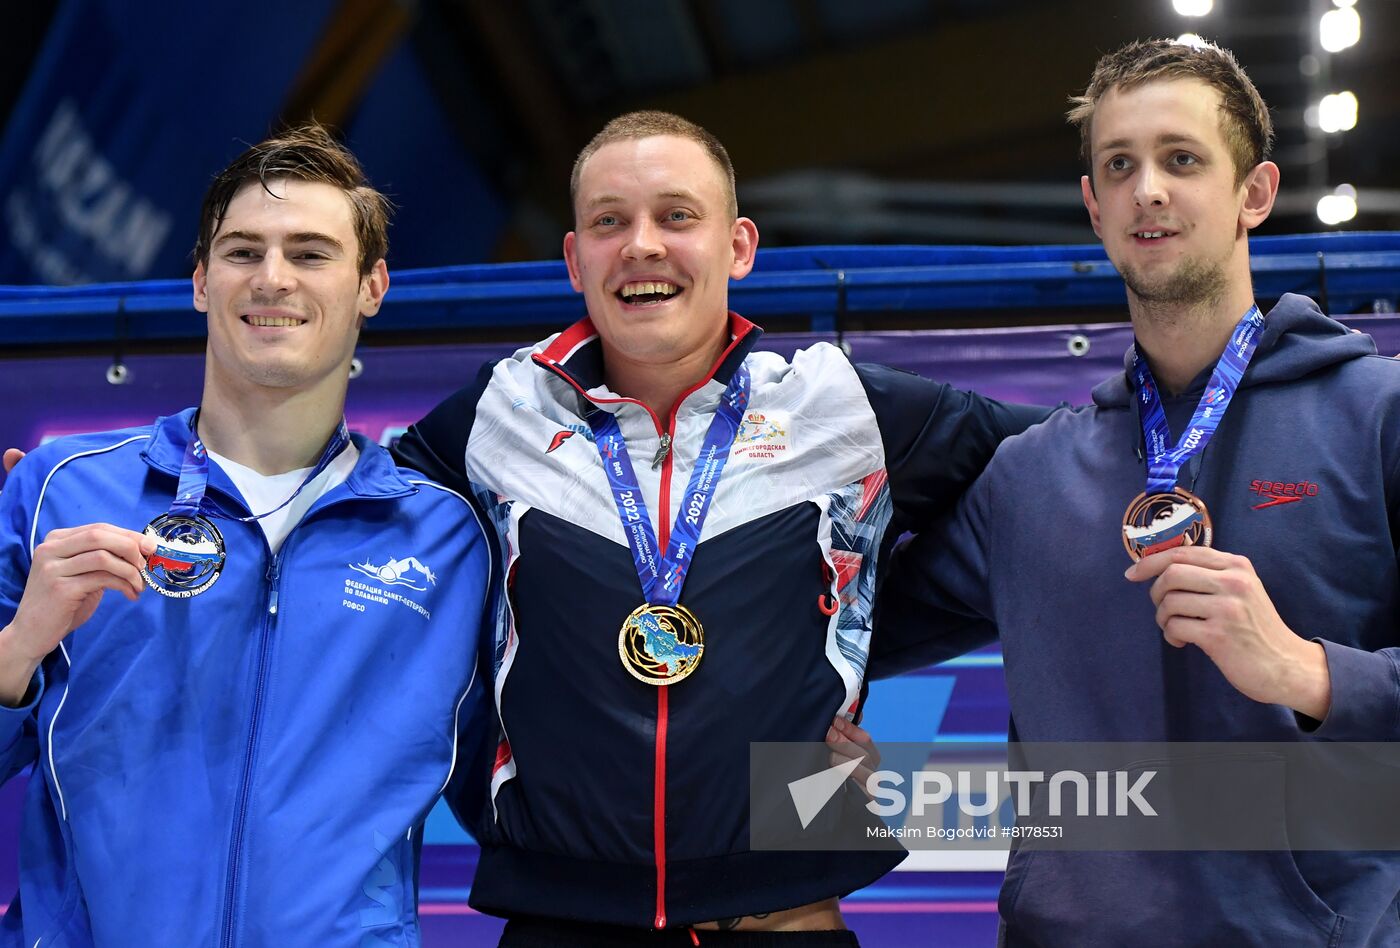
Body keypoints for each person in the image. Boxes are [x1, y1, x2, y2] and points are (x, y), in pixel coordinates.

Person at [393, 110, 1051, 945]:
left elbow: (1068, 469)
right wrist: (489, 768)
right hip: (562, 914)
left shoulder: (835, 403)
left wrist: (854, 643)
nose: (641, 245)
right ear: (573, 259)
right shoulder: (500, 413)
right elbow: (366, 565)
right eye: (609, 222)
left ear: (738, 246)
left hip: (785, 915)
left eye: (676, 216)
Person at [868, 38, 1400, 945]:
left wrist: (1310, 674)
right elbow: (849, 636)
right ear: (1093, 205)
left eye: (1182, 159)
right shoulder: (1028, 476)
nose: (1147, 188)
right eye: (1120, 165)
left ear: (1255, 194)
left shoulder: (1377, 414)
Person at [0, 124, 491, 946]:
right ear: (199, 281)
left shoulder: (446, 541)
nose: (271, 279)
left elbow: (527, 788)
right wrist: (16, 651)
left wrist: (786, 831)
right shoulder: (60, 489)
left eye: (309, 253)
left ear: (372, 287)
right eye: (241, 252)